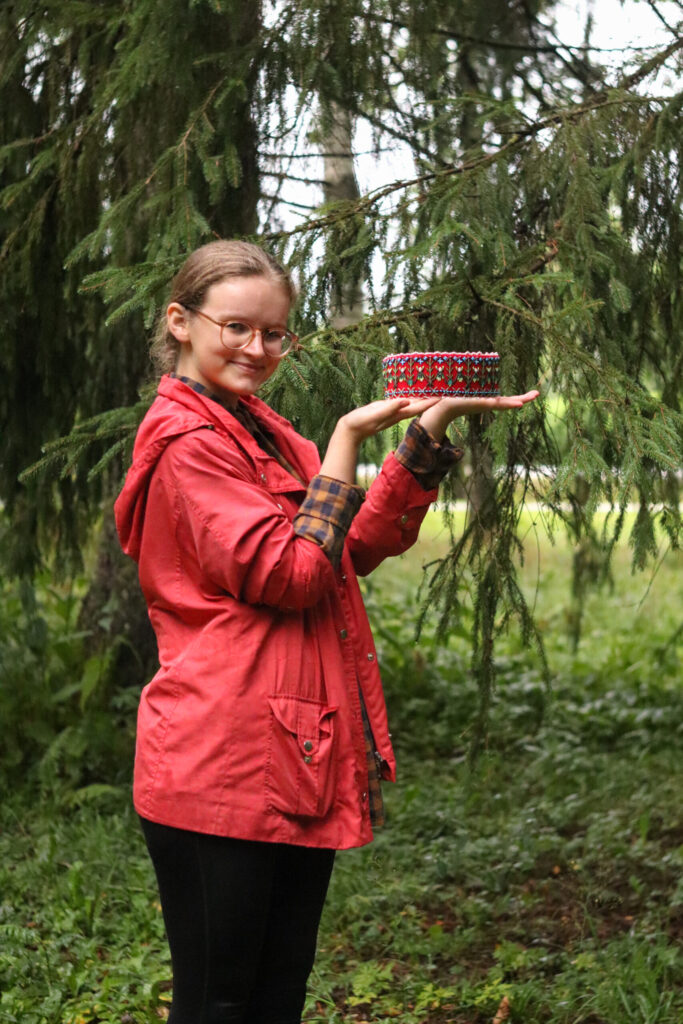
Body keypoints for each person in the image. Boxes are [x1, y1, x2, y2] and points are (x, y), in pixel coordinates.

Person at [114, 239, 538, 1024]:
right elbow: (293, 575)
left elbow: (348, 550)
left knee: (273, 999)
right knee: (220, 1003)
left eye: (275, 333)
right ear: (179, 322)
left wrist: (426, 432)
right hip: (219, 761)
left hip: (283, 753)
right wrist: (345, 439)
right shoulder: (189, 446)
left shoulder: (265, 434)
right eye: (236, 327)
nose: (258, 348)